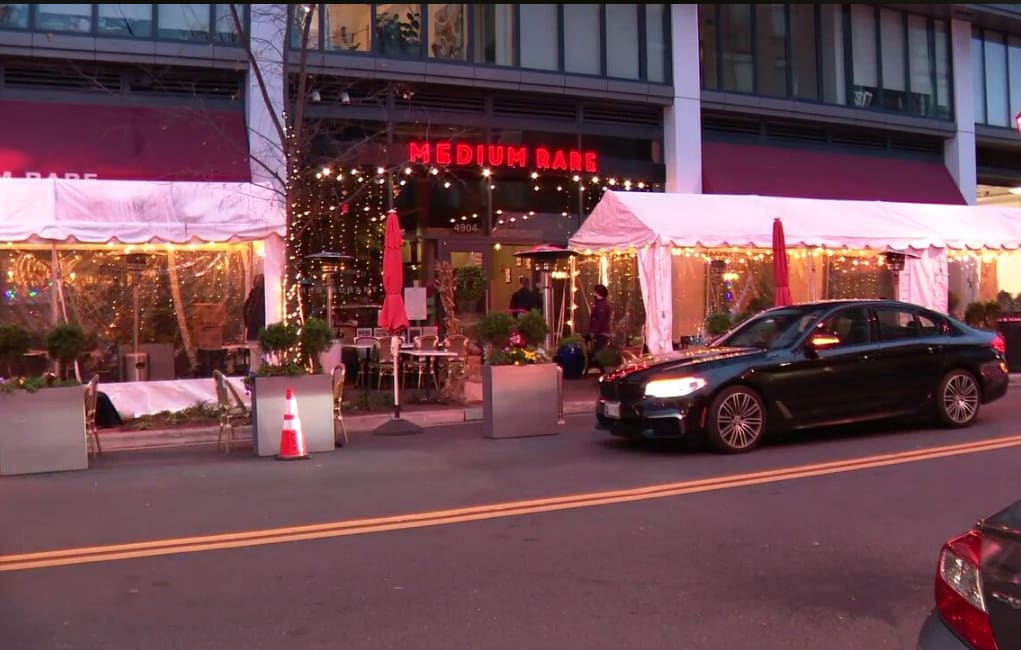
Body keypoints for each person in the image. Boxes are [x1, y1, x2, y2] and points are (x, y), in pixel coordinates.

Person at [588, 284, 612, 374]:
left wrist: (594, 332)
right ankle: (603, 371)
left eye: (595, 291)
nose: (593, 293)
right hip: (601, 332)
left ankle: (605, 372)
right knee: (598, 352)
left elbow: (600, 321)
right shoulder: (601, 305)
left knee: (599, 353)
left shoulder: (602, 306)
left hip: (601, 333)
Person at [243, 274, 265, 341]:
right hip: (258, 332)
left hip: (253, 332)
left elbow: (246, 311)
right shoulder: (261, 296)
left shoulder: (252, 297)